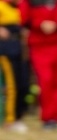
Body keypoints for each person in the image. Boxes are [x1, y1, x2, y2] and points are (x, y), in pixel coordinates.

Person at [19, 0, 57, 127]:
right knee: (46, 80)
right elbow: (24, 20)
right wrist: (40, 24)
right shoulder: (28, 2)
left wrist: (56, 23)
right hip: (39, 45)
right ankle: (48, 118)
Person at [0, 0, 30, 132]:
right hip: (6, 51)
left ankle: (18, 117)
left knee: (22, 84)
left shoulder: (20, 6)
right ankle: (10, 120)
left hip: (20, 50)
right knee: (12, 86)